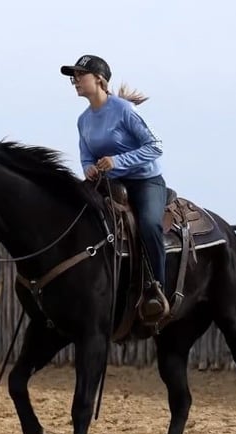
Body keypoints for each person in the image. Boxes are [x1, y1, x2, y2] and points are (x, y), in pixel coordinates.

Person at [60, 54, 170, 322]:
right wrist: (88, 167)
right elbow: (86, 155)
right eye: (73, 76)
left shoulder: (124, 110)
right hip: (109, 183)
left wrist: (117, 160)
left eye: (79, 75)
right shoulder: (83, 120)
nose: (75, 80)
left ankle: (157, 288)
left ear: (99, 79)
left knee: (148, 225)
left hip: (145, 181)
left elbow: (155, 146)